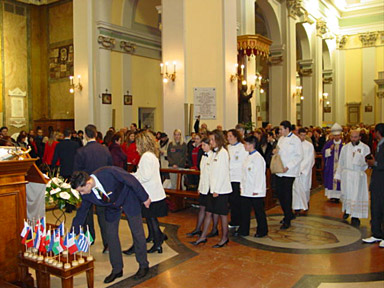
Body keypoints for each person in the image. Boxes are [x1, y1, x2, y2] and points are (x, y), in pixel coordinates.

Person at [70, 167, 151, 283]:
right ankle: (117, 269)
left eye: (82, 190)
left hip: (128, 198)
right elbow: (81, 212)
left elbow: (131, 180)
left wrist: (145, 197)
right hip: (112, 207)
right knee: (111, 236)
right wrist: (73, 232)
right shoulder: (86, 194)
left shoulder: (107, 173)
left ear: (88, 183)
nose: (81, 194)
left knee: (137, 232)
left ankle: (144, 265)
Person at [73, 124, 113, 252]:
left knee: (86, 213)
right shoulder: (105, 150)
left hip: (86, 187)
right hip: (101, 187)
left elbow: (76, 172)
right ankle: (107, 243)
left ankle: (90, 238)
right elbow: (110, 167)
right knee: (103, 215)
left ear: (85, 135)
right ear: (96, 134)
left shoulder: (81, 151)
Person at [191, 129, 232, 248]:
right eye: (211, 140)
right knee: (209, 212)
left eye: (213, 139)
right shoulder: (214, 153)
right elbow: (209, 173)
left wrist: (217, 190)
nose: (211, 142)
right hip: (212, 189)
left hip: (221, 190)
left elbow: (223, 173)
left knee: (223, 215)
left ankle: (225, 237)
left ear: (218, 140)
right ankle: (203, 237)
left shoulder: (223, 153)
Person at [133, 131, 167, 253]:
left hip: (151, 194)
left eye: (137, 144)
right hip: (154, 193)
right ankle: (153, 237)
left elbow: (145, 176)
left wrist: (132, 177)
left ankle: (158, 243)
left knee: (152, 219)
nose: (136, 148)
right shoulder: (151, 155)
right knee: (150, 218)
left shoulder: (146, 156)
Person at [335, 130, 371, 227]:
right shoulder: (345, 148)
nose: (353, 139)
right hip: (347, 175)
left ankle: (355, 216)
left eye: (355, 137)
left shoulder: (365, 148)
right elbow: (341, 162)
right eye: (352, 137)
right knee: (347, 194)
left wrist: (358, 158)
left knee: (356, 196)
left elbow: (368, 163)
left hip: (358, 175)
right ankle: (347, 209)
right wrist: (338, 175)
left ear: (360, 137)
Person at [236, 135, 268, 237]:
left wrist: (257, 189)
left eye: (246, 144)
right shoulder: (247, 157)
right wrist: (242, 186)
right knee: (244, 211)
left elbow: (259, 176)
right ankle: (244, 230)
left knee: (259, 211)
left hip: (255, 190)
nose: (244, 146)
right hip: (246, 189)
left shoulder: (258, 158)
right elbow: (244, 173)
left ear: (252, 145)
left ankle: (262, 230)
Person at [274, 120, 303, 229]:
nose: (280, 131)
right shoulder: (281, 139)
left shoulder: (295, 140)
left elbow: (299, 156)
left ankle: (287, 218)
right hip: (279, 170)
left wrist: (288, 166)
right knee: (280, 194)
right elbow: (279, 151)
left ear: (287, 129)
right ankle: (288, 213)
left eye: (281, 129)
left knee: (286, 195)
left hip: (289, 172)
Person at [186, 137, 218, 237]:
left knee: (211, 211)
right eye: (202, 145)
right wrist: (199, 187)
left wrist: (213, 189)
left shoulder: (214, 157)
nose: (202, 147)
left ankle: (212, 230)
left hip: (211, 188)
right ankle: (197, 229)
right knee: (202, 208)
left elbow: (214, 175)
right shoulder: (203, 156)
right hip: (204, 187)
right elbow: (202, 174)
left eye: (204, 145)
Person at [363, 123, 384, 247]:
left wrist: (374, 163)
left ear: (377, 132)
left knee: (382, 208)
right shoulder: (379, 145)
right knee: (375, 207)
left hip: (382, 182)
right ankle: (376, 234)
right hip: (376, 182)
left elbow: (381, 164)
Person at [52, 129, 80, 212]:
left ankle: (68, 206)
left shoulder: (59, 145)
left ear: (63, 135)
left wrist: (52, 167)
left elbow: (55, 157)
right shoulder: (75, 144)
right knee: (73, 187)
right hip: (73, 168)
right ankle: (73, 204)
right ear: (70, 135)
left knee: (65, 187)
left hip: (64, 168)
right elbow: (79, 156)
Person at [227, 129, 248, 229]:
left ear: (236, 137)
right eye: (228, 136)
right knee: (232, 201)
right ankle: (234, 220)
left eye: (231, 136)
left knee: (238, 201)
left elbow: (244, 162)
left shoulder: (242, 147)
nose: (229, 138)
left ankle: (239, 221)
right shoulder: (227, 147)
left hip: (238, 177)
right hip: (229, 177)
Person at [292, 128, 315, 215]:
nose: (302, 137)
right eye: (301, 135)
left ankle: (304, 206)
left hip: (305, 171)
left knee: (304, 188)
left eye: (304, 135)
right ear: (298, 135)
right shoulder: (294, 144)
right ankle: (296, 206)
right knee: (295, 189)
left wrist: (302, 168)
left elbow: (310, 159)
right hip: (295, 170)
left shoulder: (309, 145)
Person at [322, 123, 344, 202]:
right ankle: (332, 196)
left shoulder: (344, 144)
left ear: (340, 135)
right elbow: (324, 152)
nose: (336, 137)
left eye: (338, 135)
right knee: (331, 180)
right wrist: (330, 150)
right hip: (331, 165)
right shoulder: (329, 143)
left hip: (339, 166)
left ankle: (338, 197)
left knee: (339, 181)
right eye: (335, 136)